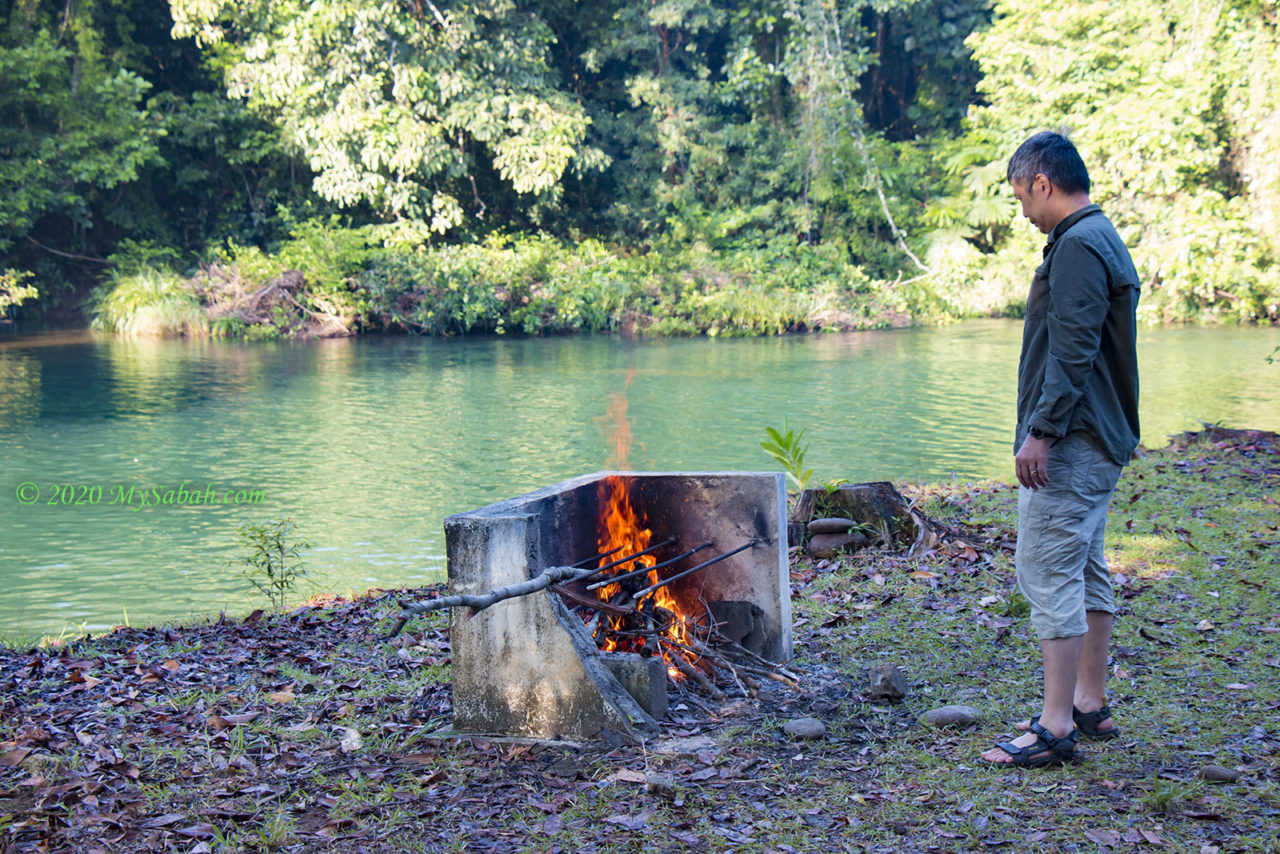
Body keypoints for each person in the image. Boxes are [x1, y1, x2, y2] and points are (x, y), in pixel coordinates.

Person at [980, 131, 1141, 768]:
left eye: (1022, 196)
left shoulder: (1077, 245)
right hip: (1100, 434)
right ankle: (1087, 702)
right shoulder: (1101, 236)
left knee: (1047, 569)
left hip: (1075, 438)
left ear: (1042, 183)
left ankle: (1054, 727)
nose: (1022, 211)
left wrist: (1041, 432)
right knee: (1085, 566)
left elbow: (1073, 351)